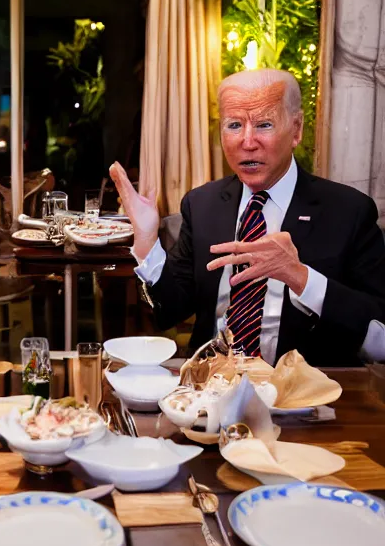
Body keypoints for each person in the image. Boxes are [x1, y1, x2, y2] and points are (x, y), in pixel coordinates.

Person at [110, 68, 385, 367]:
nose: (247, 141)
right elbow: (170, 311)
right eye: (234, 125)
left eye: (264, 124)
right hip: (210, 390)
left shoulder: (349, 212)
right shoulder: (202, 204)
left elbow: (379, 340)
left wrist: (301, 278)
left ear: (296, 130)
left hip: (302, 397)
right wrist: (148, 242)